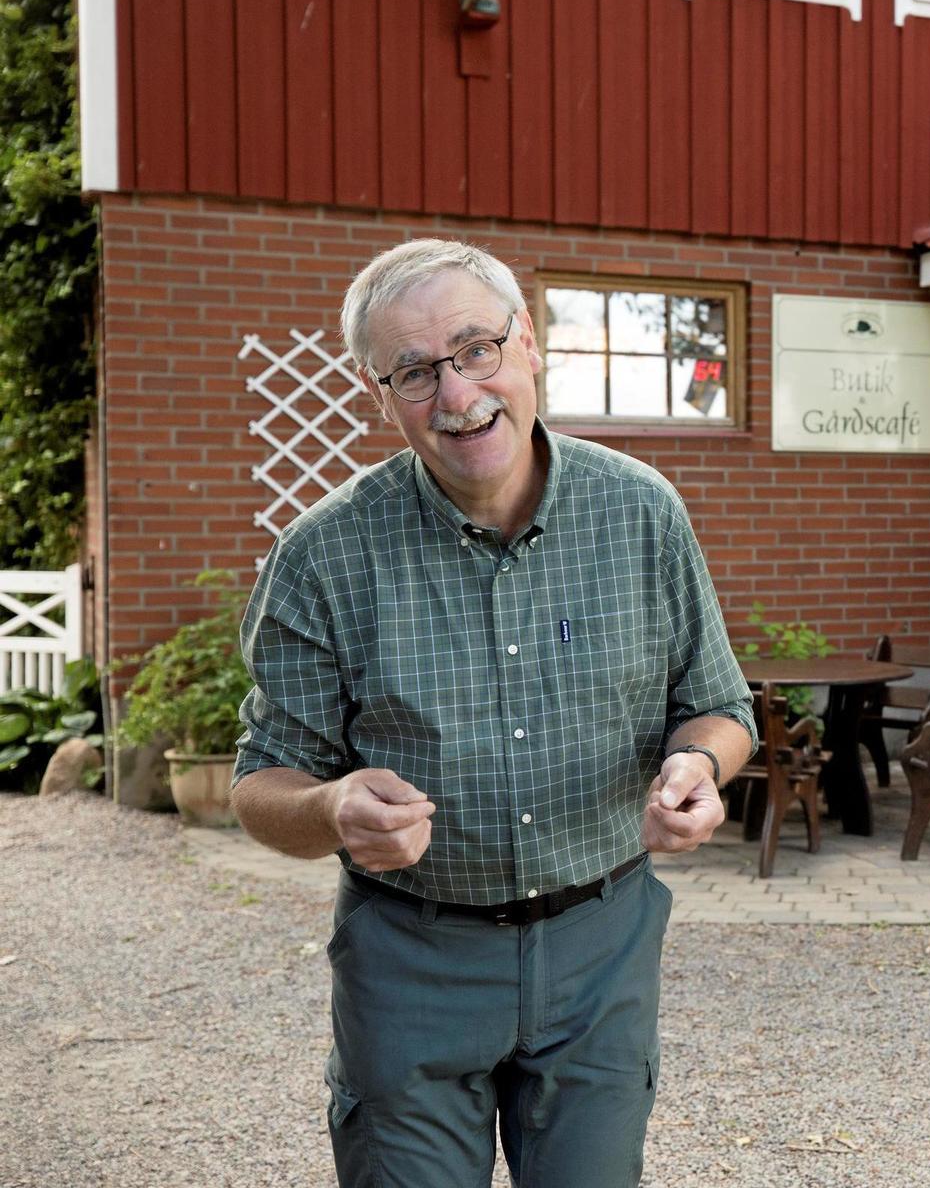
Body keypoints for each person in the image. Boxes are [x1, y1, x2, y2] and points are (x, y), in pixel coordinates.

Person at [229, 238, 756, 1187]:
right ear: (378, 394)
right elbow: (261, 781)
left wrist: (698, 768)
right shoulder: (322, 556)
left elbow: (716, 705)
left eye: (476, 350)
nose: (460, 395)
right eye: (416, 372)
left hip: (603, 947)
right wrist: (329, 807)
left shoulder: (641, 511)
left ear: (529, 346)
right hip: (409, 960)